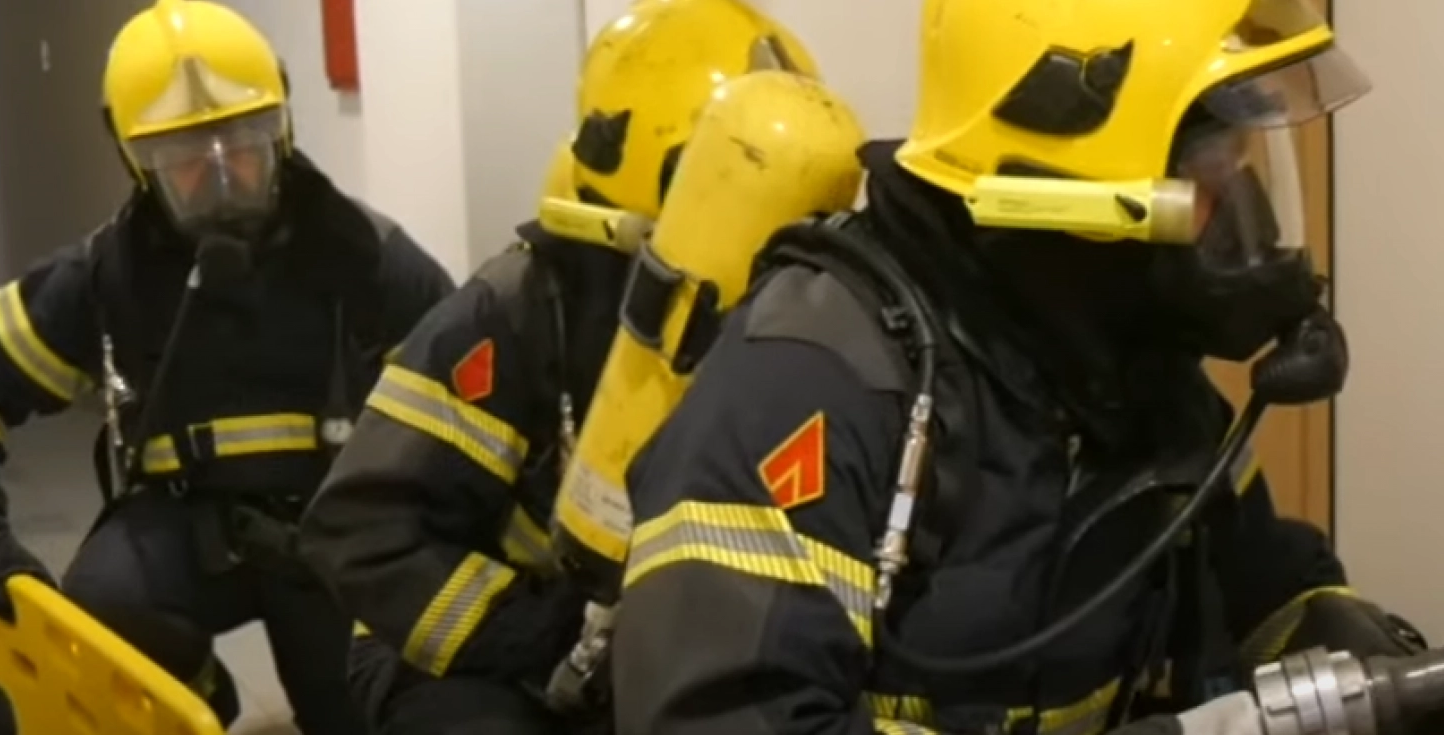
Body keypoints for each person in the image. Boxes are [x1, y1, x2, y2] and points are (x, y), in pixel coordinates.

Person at [609, 1, 1430, 734]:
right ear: (1079, 192)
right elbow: (728, 714)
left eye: (1242, 165)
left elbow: (1265, 581)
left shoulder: (1135, 374)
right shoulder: (807, 383)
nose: (1244, 217)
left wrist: (1349, 646)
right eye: (1208, 172)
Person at [296, 1, 820, 732]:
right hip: (465, 647)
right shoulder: (516, 311)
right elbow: (361, 528)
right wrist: (541, 633)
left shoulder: (793, 311)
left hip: (645, 649)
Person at [0, 1, 454, 733]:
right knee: (106, 624)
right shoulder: (109, 276)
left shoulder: (366, 257)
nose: (221, 175)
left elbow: (469, 401)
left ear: (282, 127)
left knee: (365, 704)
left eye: (242, 142)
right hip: (180, 525)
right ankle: (196, 691)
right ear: (134, 160)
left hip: (334, 530)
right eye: (184, 155)